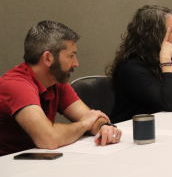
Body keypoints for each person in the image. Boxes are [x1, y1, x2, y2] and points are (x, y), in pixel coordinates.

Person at [0, 21, 121, 156]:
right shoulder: (17, 85)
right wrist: (85, 124)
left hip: (36, 162)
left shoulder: (56, 83)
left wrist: (104, 127)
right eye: (71, 55)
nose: (76, 63)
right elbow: (48, 139)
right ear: (47, 58)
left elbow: (92, 117)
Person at [107, 5, 172, 123]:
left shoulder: (170, 59)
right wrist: (166, 61)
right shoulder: (132, 67)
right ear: (155, 36)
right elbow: (171, 104)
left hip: (160, 127)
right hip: (130, 133)